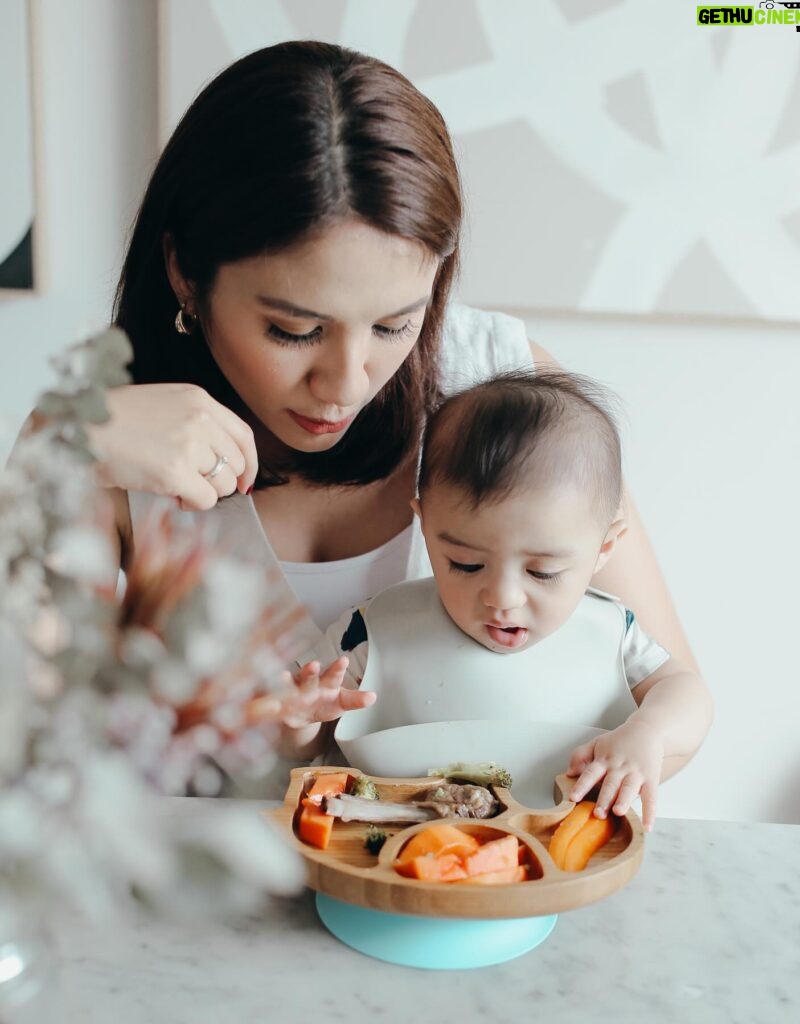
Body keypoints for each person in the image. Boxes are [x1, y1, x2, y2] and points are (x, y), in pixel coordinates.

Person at [40, 41, 702, 788]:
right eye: (295, 330)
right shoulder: (117, 435)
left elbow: (669, 699)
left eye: (394, 325)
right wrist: (51, 452)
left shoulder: (504, 388)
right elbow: (26, 745)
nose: (347, 384)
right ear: (186, 275)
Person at [275, 369, 713, 829]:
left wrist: (648, 732)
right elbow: (305, 744)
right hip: (410, 859)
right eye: (465, 564)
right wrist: (300, 722)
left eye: (542, 572)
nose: (502, 598)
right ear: (425, 525)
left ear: (604, 547)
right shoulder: (373, 629)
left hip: (568, 859)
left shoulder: (611, 632)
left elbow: (688, 694)